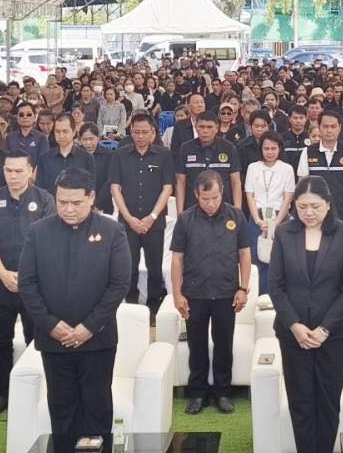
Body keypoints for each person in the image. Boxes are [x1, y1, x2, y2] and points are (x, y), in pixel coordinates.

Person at [17, 168, 130, 453]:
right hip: (54, 341)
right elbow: (27, 284)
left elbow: (119, 284)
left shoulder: (112, 232)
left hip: (97, 340)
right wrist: (51, 325)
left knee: (96, 407)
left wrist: (88, 327)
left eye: (76, 203)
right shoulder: (39, 232)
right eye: (62, 202)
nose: (68, 209)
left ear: (91, 198)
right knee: (62, 406)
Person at [269, 176, 343, 453]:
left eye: (315, 206)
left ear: (328, 205)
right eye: (302, 207)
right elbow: (276, 286)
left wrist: (324, 329)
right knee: (301, 400)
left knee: (327, 399)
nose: (308, 212)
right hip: (293, 335)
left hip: (334, 335)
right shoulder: (284, 234)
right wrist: (295, 325)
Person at [169, 171, 254, 415]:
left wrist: (243, 288)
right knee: (196, 345)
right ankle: (197, 393)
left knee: (224, 344)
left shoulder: (236, 216)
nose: (211, 203)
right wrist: (177, 294)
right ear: (196, 195)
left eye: (215, 198)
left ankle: (222, 392)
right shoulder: (185, 219)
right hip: (194, 294)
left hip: (227, 293)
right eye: (205, 198)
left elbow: (244, 254)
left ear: (222, 193)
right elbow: (177, 259)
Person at [0, 150, 55, 417]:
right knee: (1, 338)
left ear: (31, 171)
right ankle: (3, 392)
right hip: (1, 282)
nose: (13, 176)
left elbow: (48, 242)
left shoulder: (45, 200)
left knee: (35, 337)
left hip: (33, 284)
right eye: (8, 171)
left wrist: (26, 276)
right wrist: (2, 273)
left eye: (19, 171)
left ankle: (38, 389)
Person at [108, 113, 174, 313]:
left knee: (155, 268)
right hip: (127, 223)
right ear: (131, 132)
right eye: (137, 132)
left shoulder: (164, 155)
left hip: (154, 222)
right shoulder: (120, 155)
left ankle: (153, 307)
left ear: (153, 132)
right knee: (129, 268)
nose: (141, 136)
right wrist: (129, 218)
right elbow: (115, 187)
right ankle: (132, 306)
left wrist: (152, 217)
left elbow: (168, 188)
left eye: (145, 132)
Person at [242, 131, 296, 295]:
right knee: (257, 259)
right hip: (257, 218)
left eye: (274, 148)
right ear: (261, 149)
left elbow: (288, 197)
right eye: (266, 148)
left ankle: (277, 297)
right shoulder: (253, 167)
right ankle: (259, 297)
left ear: (279, 149)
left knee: (279, 259)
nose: (270, 152)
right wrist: (258, 221)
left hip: (280, 218)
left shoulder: (286, 169)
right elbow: (250, 196)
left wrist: (275, 223)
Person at [297, 109, 343, 231]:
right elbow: (302, 186)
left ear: (339, 128)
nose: (329, 130)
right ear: (319, 127)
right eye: (325, 126)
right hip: (315, 217)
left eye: (333, 126)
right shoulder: (307, 152)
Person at [175, 111, 242, 211]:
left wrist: (237, 211)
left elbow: (235, 181)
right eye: (201, 127)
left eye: (209, 127)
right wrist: (180, 213)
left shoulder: (229, 148)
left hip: (224, 209)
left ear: (217, 128)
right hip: (193, 209)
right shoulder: (185, 148)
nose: (205, 131)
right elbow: (180, 182)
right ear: (196, 127)